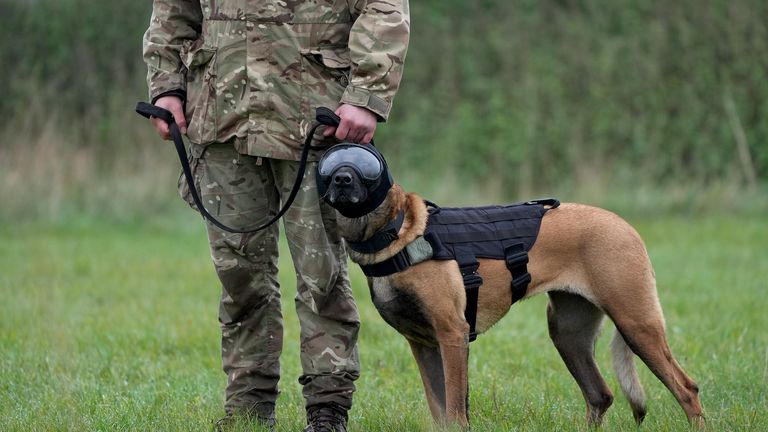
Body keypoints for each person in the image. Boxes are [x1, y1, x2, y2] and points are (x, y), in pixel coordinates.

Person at [142, 1, 410, 431]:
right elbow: (174, 10)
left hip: (314, 119)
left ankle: (328, 407)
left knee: (321, 273)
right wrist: (166, 85)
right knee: (239, 274)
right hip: (222, 116)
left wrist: (367, 95)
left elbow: (384, 7)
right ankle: (248, 406)